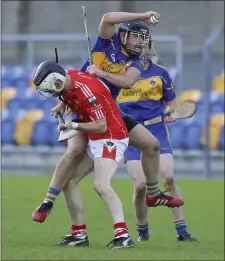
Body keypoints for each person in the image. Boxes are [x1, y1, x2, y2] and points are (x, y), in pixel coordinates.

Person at [32, 12, 184, 240]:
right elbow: (107, 17)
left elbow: (128, 81)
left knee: (151, 145)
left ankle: (152, 194)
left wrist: (100, 73)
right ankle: (48, 202)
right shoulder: (106, 42)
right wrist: (143, 16)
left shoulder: (139, 59)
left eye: (144, 39)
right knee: (74, 151)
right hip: (82, 106)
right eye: (136, 37)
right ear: (122, 36)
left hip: (109, 109)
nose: (142, 42)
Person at [32, 60, 135, 249]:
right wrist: (61, 106)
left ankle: (123, 235)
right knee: (68, 182)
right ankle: (79, 234)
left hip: (111, 136)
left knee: (101, 185)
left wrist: (72, 125)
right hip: (95, 137)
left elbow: (102, 125)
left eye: (53, 89)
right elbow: (66, 95)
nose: (54, 93)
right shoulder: (66, 78)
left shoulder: (89, 93)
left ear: (57, 80)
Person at [116, 58, 199, 242]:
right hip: (131, 133)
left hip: (157, 131)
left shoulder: (161, 73)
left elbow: (172, 104)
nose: (141, 47)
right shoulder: (119, 71)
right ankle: (142, 230)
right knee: (140, 185)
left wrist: (171, 112)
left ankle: (182, 231)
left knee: (168, 177)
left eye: (145, 43)